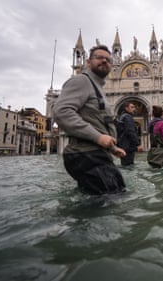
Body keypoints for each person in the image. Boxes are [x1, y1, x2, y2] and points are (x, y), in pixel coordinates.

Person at [52, 45, 127, 195]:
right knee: (111, 202)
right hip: (86, 155)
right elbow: (61, 112)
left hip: (95, 154)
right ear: (88, 61)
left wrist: (112, 148)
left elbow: (98, 122)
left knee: (110, 198)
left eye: (108, 59)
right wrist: (98, 137)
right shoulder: (81, 81)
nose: (104, 61)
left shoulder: (97, 87)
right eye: (99, 57)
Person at [118, 102, 143, 166]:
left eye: (134, 107)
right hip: (128, 146)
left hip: (123, 145)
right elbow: (130, 131)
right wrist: (138, 144)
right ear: (126, 108)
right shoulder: (127, 117)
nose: (134, 109)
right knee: (128, 166)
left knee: (125, 165)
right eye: (132, 107)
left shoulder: (122, 116)